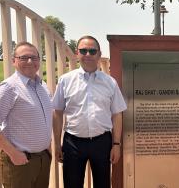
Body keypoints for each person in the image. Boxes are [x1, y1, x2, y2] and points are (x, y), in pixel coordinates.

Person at [52, 35, 127, 188]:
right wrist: (58, 145)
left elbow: (117, 114)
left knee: (103, 184)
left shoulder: (109, 82)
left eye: (92, 51)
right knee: (72, 184)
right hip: (73, 142)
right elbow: (57, 112)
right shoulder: (65, 80)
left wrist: (116, 144)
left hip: (102, 142)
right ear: (76, 53)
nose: (88, 55)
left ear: (99, 54)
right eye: (83, 51)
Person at [0, 42, 52, 188]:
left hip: (42, 159)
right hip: (20, 162)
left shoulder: (42, 86)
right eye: (24, 58)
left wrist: (47, 145)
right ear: (14, 61)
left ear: (39, 61)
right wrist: (12, 153)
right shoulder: (9, 88)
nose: (30, 61)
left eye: (34, 58)